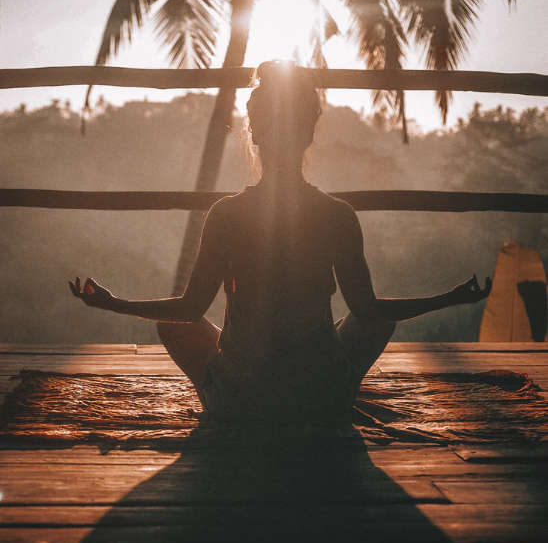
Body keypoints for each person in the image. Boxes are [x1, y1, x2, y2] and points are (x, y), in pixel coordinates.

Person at [69, 60, 491, 430]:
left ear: (254, 134)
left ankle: (224, 401)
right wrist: (449, 298)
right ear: (308, 134)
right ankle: (338, 392)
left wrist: (114, 303)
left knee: (174, 324)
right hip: (319, 400)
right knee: (375, 317)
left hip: (242, 402)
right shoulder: (337, 214)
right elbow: (369, 311)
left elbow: (189, 309)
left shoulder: (227, 214)